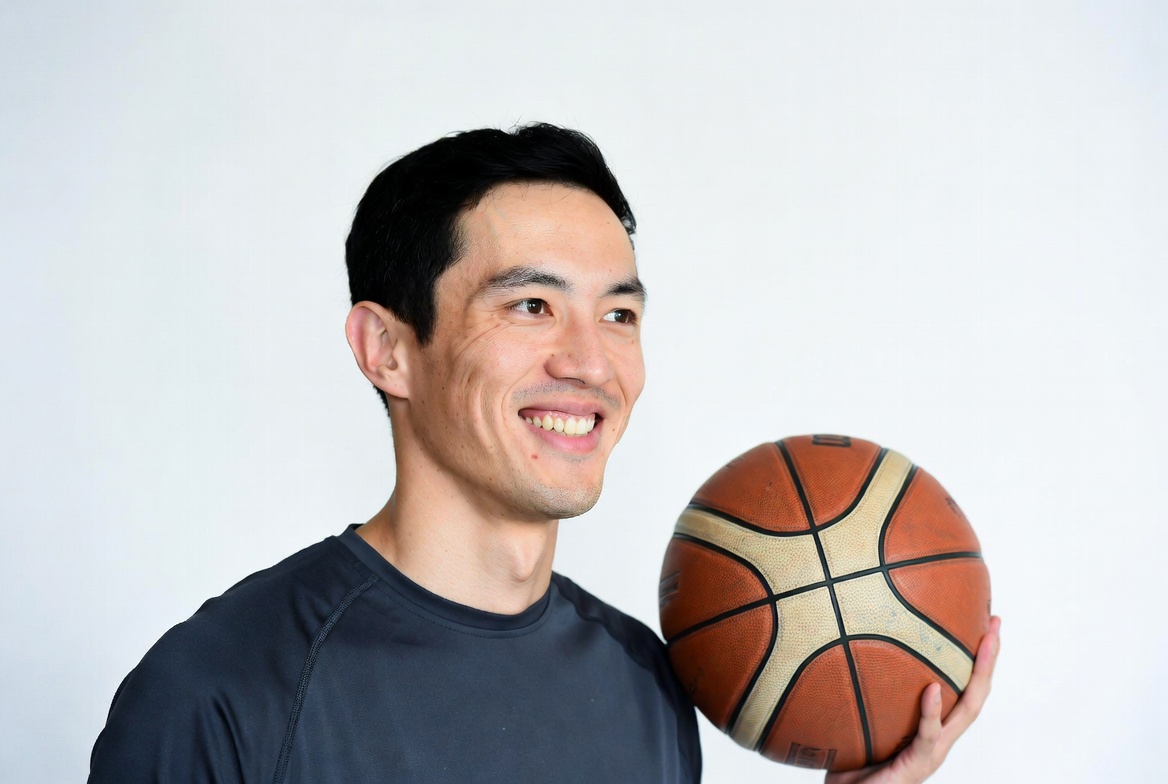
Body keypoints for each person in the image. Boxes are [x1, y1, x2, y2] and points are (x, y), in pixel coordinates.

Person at [89, 124, 1000, 783]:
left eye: (620, 314)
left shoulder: (643, 683)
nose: (590, 363)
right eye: (531, 306)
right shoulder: (222, 691)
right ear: (387, 349)